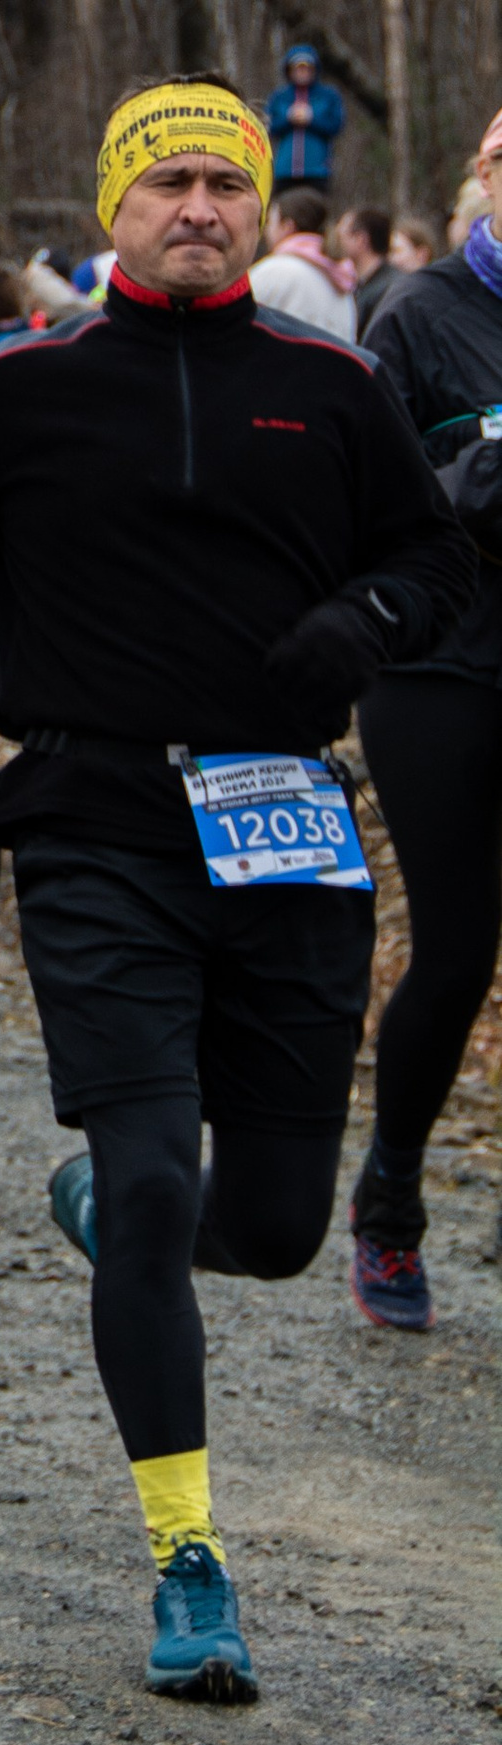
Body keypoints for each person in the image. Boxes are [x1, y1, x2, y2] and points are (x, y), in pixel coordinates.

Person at [0, 73, 471, 1704]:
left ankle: (122, 1217)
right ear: (112, 208)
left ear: (260, 208)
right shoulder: (25, 389)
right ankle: (189, 1560)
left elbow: (436, 559)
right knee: (161, 1180)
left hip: (288, 842)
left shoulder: (330, 385)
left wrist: (363, 631)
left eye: (223, 183)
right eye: (164, 180)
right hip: (97, 824)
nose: (195, 205)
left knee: (268, 1226)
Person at [339, 100, 502, 1326]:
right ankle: (388, 1201)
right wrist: (479, 476)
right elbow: (367, 511)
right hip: (440, 674)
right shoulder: (420, 314)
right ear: (486, 178)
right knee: (457, 951)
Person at [247, 188, 358, 342]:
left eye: (270, 222)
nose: (266, 230)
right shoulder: (341, 281)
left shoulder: (275, 270)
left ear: (288, 226)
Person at [265, 41, 344, 196]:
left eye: (307, 68)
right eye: (298, 68)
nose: (302, 72)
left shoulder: (328, 96)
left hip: (317, 169)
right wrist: (289, 118)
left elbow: (336, 125)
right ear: (289, 71)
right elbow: (268, 127)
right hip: (285, 170)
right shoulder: (279, 97)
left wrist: (311, 119)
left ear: (315, 70)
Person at [334, 205, 398, 336]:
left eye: (341, 236)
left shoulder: (385, 290)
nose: (337, 243)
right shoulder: (364, 284)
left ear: (361, 240)